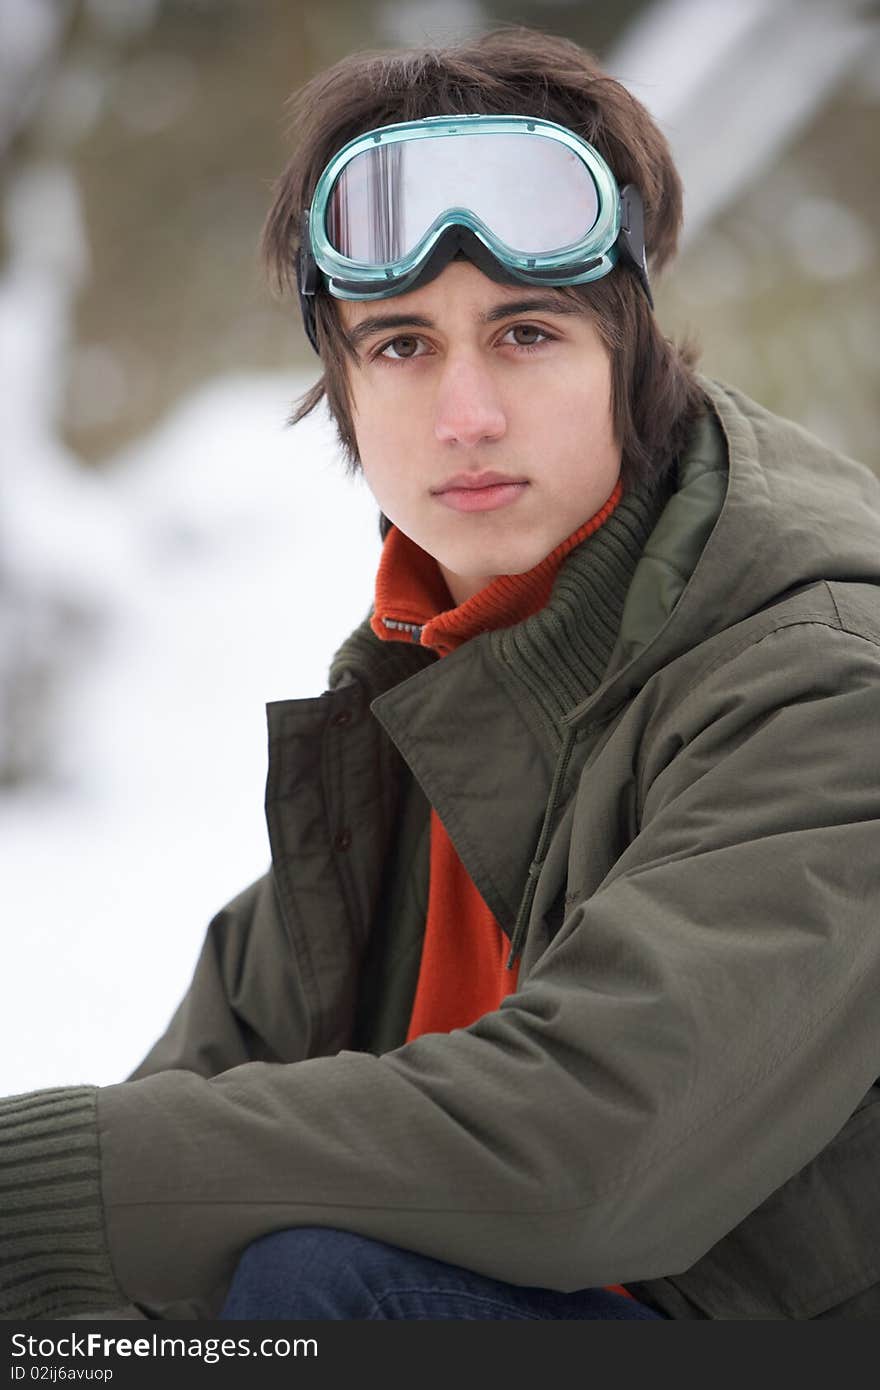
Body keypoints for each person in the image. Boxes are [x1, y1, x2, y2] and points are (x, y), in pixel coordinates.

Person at [2, 27, 880, 1324]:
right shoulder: (410, 717)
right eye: (402, 345)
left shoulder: (824, 688)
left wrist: (45, 1192)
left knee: (317, 1289)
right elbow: (167, 1166)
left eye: (525, 334)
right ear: (343, 389)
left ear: (630, 350)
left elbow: (587, 1155)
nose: (464, 413)